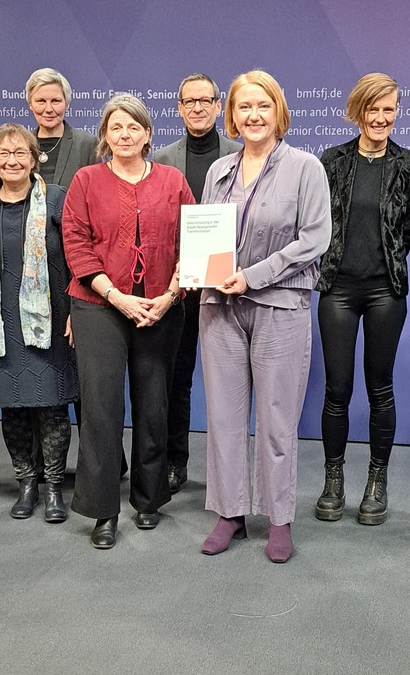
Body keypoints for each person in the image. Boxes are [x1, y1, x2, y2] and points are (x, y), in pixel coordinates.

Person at [197, 71, 331, 563]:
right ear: (231, 115)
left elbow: (314, 239)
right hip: (219, 307)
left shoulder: (305, 168)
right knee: (225, 418)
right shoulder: (219, 171)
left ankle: (278, 519)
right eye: (244, 107)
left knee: (276, 419)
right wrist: (203, 271)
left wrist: (253, 275)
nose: (253, 116)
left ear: (278, 112)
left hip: (280, 306)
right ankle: (229, 513)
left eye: (263, 106)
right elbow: (208, 235)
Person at [62, 93, 191, 549]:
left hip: (159, 307)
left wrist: (170, 295)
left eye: (133, 127)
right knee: (101, 409)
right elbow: (75, 244)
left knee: (154, 404)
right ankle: (103, 510)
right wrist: (116, 296)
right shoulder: (86, 180)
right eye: (115, 128)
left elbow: (192, 245)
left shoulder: (174, 180)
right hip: (99, 307)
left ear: (148, 134)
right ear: (104, 135)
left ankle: (149, 497)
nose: (124, 135)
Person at [314, 73, 410, 526]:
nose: (380, 119)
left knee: (381, 387)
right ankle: (333, 479)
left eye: (388, 110)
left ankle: (377, 480)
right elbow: (316, 221)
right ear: (357, 113)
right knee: (337, 390)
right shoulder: (332, 160)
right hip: (337, 288)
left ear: (397, 112)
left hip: (384, 291)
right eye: (372, 110)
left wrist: (391, 257)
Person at [0, 124, 78, 523]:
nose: (12, 161)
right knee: (12, 408)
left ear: (34, 159)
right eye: (3, 154)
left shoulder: (57, 199)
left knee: (51, 407)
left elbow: (77, 260)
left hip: (49, 321)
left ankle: (52, 489)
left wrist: (75, 314)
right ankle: (25, 483)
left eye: (20, 154)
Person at [150, 73, 241, 493]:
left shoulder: (241, 155)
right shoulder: (163, 159)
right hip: (179, 287)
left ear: (219, 105)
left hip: (231, 286)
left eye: (207, 100)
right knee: (177, 379)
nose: (199, 108)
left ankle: (233, 471)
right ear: (179, 108)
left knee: (232, 381)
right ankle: (175, 461)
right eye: (191, 101)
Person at [26, 68, 97, 188]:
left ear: (67, 104)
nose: (48, 109)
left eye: (55, 101)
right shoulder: (22, 145)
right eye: (41, 101)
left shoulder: (87, 144)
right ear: (30, 105)